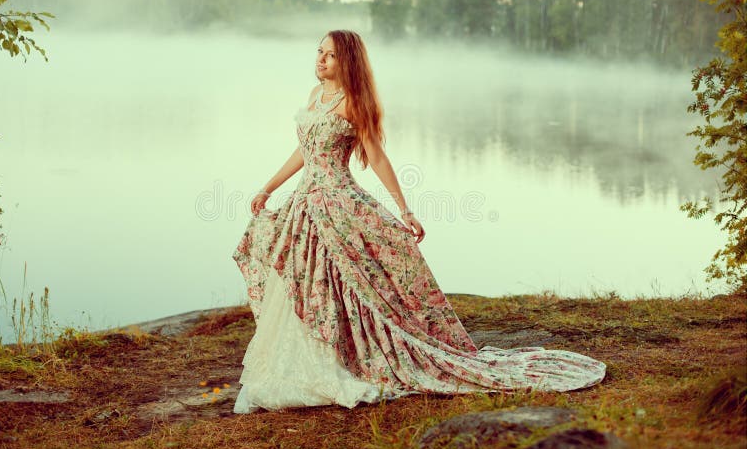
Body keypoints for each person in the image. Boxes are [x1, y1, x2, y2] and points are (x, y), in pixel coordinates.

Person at [231, 30, 606, 414]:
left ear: (347, 62)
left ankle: (343, 360)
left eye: (329, 55)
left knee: (346, 281)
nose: (320, 59)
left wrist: (405, 209)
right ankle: (304, 359)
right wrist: (268, 186)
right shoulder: (314, 97)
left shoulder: (353, 104)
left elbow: (377, 158)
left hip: (336, 203)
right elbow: (304, 151)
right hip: (305, 204)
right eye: (319, 52)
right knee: (306, 282)